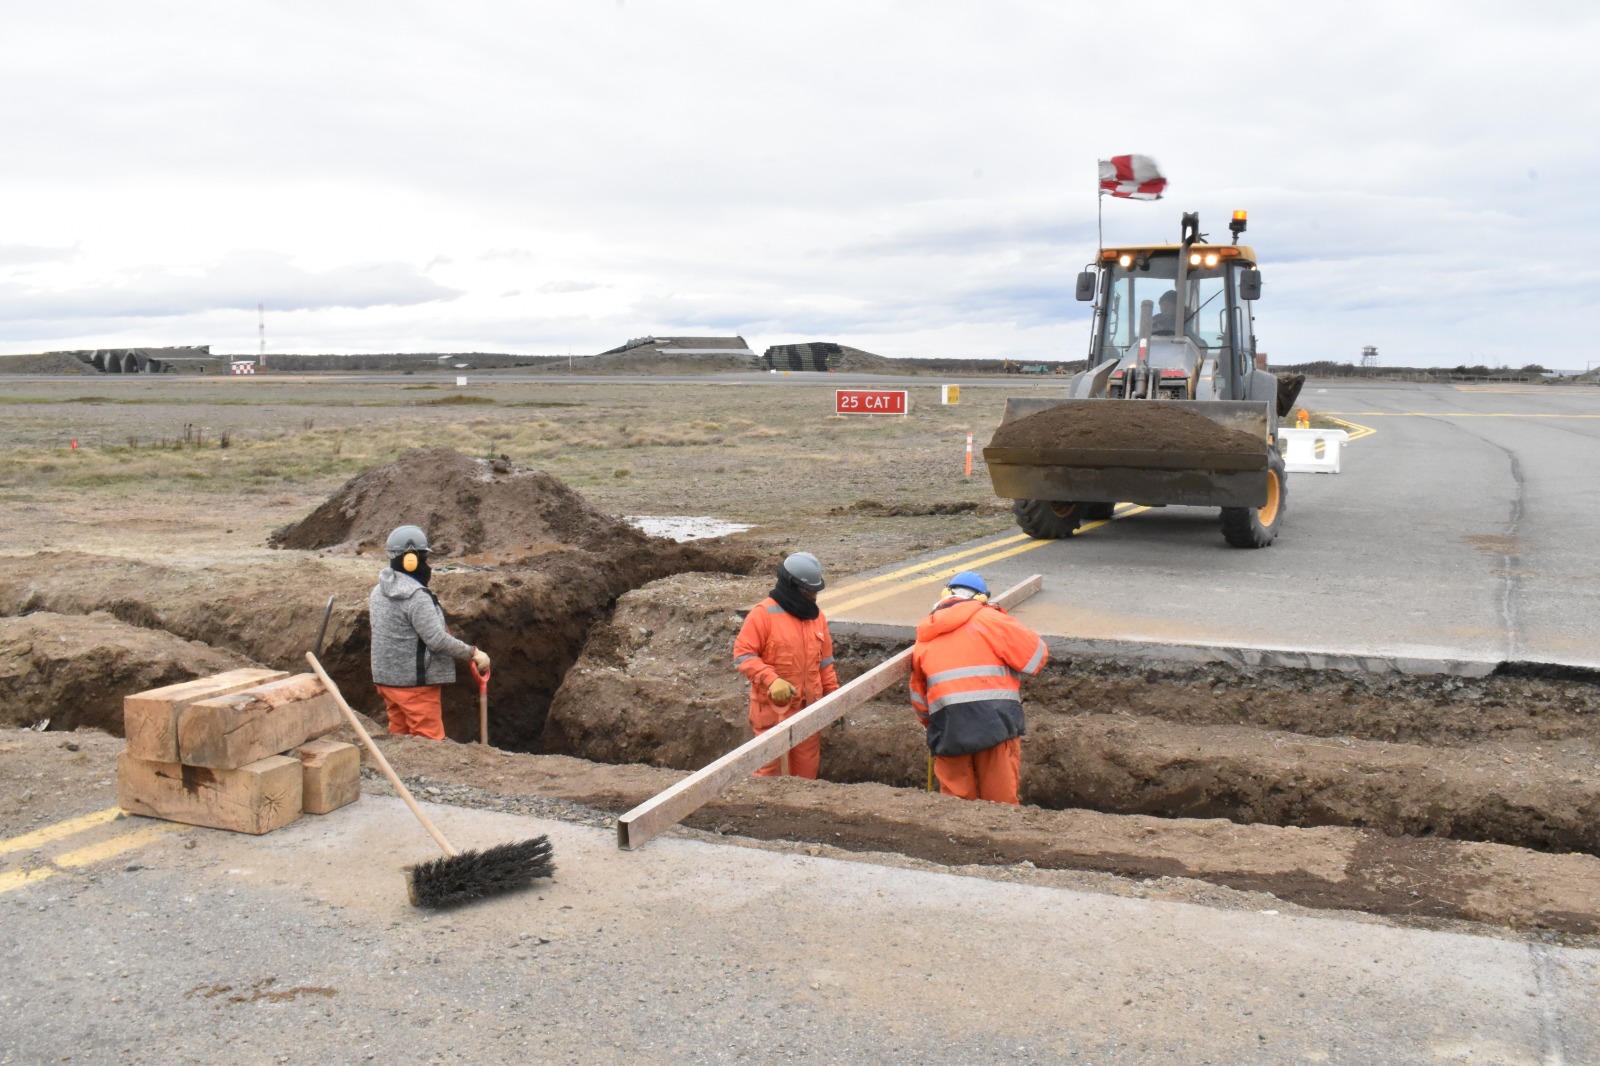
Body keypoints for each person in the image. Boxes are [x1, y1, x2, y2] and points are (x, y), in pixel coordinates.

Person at [908, 571, 1048, 804]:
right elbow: (1037, 657)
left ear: (946, 595)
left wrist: (933, 727)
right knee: (1000, 803)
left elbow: (920, 699)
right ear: (982, 598)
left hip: (949, 726)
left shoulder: (925, 635)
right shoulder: (992, 620)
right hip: (997, 723)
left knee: (957, 805)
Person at [368, 524, 490, 740]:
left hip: (387, 681)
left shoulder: (378, 591)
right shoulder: (416, 597)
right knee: (428, 743)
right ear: (411, 560)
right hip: (415, 685)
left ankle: (403, 773)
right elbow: (437, 640)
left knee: (399, 736)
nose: (428, 565)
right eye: (425, 558)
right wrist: (473, 653)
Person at [732, 551, 839, 778]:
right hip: (773, 713)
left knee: (805, 778)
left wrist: (834, 699)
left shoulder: (816, 617)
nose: (813, 596)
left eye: (815, 591)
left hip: (808, 713)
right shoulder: (763, 615)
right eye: (808, 591)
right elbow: (743, 654)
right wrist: (771, 680)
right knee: (769, 778)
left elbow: (825, 665)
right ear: (792, 585)